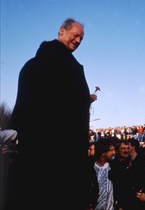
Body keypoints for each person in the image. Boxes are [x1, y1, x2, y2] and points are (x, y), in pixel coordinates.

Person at [6, 18, 97, 210]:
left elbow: (23, 109)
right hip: (63, 162)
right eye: (76, 35)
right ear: (61, 31)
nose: (79, 40)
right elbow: (65, 115)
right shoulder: (70, 67)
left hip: (33, 158)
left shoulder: (30, 65)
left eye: (82, 38)